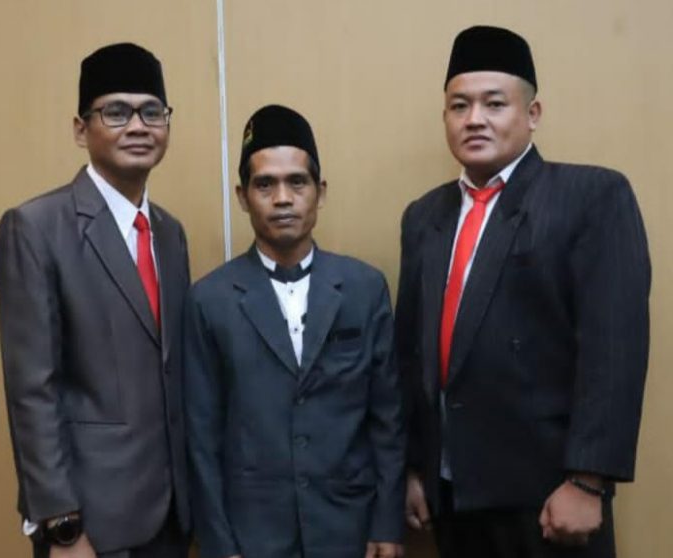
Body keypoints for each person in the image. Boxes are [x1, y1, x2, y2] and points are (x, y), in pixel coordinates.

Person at [396, 26, 650, 558]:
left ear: (532, 113)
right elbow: (411, 354)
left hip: (549, 496)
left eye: (494, 103)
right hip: (452, 496)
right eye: (459, 105)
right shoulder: (424, 217)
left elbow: (613, 348)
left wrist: (588, 481)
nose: (475, 119)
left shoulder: (590, 196)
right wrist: (414, 467)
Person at [0, 43, 190, 558]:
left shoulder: (170, 233)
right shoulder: (35, 228)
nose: (138, 126)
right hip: (89, 525)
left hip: (171, 517)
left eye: (152, 112)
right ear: (81, 129)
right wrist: (60, 526)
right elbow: (32, 391)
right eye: (116, 112)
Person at [184, 104, 405, 558]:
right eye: (265, 184)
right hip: (253, 536)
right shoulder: (209, 299)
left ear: (319, 192)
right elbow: (202, 438)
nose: (282, 198)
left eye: (297, 182)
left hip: (348, 529)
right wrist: (219, 545)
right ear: (243, 196)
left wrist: (388, 523)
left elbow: (388, 418)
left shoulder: (364, 288)